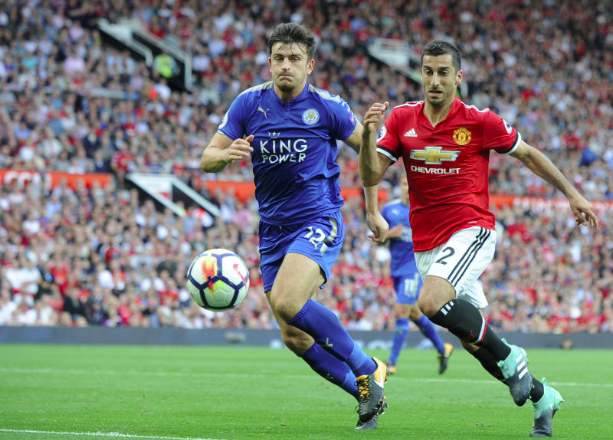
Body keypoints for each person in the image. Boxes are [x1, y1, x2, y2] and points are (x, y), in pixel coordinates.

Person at [359, 40, 599, 437]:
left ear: (458, 76)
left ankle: (513, 357)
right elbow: (371, 175)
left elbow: (528, 154)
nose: (434, 80)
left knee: (430, 302)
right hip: (427, 244)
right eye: (428, 72)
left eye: (443, 72)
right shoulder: (401, 119)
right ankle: (543, 397)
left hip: (471, 229)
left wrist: (571, 193)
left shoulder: (479, 121)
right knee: (474, 342)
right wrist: (368, 136)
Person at [200, 23, 388, 429]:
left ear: (310, 65)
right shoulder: (248, 104)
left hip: (319, 218)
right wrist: (225, 155)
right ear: (269, 63)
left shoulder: (328, 107)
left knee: (287, 302)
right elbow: (206, 158)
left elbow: (372, 160)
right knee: (294, 337)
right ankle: (364, 393)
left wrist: (372, 195)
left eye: (294, 59)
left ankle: (367, 367)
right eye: (279, 58)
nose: (286, 65)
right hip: (273, 231)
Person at [381, 175, 453, 375]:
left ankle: (392, 362)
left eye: (410, 183)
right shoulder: (389, 210)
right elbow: (378, 239)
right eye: (404, 184)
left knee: (400, 310)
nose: (407, 187)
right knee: (412, 313)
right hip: (396, 269)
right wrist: (387, 235)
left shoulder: (424, 210)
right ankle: (442, 348)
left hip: (414, 268)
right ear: (400, 186)